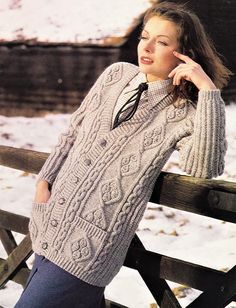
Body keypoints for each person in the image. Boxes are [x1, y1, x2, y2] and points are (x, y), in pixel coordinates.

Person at [15, 1, 231, 307]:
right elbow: (72, 133)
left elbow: (204, 167)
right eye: (145, 37)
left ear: (185, 55)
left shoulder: (183, 112)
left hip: (88, 250)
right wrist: (43, 183)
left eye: (163, 42)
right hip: (46, 222)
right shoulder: (115, 75)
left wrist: (208, 92)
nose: (148, 47)